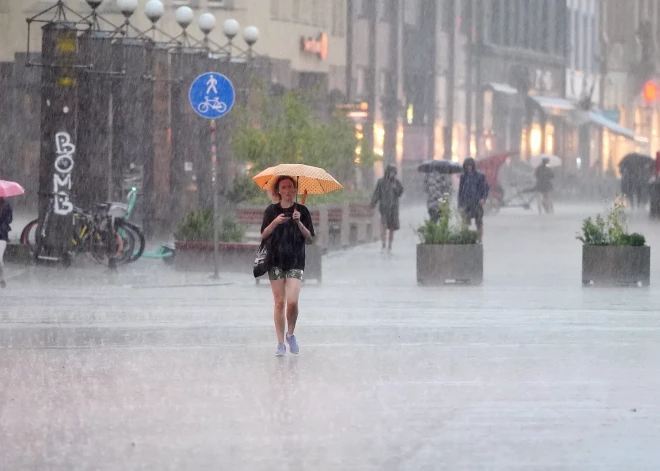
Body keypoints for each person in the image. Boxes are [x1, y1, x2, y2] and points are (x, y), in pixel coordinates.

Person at [260, 176, 315, 356]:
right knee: (279, 303)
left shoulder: (302, 211)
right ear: (278, 190)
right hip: (275, 261)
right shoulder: (271, 211)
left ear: (294, 190)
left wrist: (298, 222)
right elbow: (264, 234)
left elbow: (309, 236)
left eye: (290, 187)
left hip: (295, 261)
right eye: (283, 187)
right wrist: (276, 221)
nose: (287, 190)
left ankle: (290, 334)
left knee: (292, 302)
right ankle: (280, 343)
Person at [371, 164, 404, 254]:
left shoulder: (396, 182)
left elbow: (400, 192)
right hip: (384, 208)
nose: (392, 174)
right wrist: (373, 203)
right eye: (391, 172)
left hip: (393, 208)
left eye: (394, 173)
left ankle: (390, 245)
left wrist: (395, 189)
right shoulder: (381, 182)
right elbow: (377, 193)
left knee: (392, 228)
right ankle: (383, 244)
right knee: (384, 226)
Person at [458, 157, 489, 242]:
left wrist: (483, 198)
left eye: (470, 165)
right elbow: (461, 191)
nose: (469, 167)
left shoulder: (480, 176)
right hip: (466, 203)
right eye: (467, 165)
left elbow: (485, 188)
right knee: (465, 223)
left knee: (479, 223)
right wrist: (460, 204)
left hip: (477, 203)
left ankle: (479, 239)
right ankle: (465, 239)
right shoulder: (463, 177)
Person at [0, 197, 13, 288]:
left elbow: (9, 219)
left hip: (2, 235)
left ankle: (1, 277)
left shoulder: (6, 205)